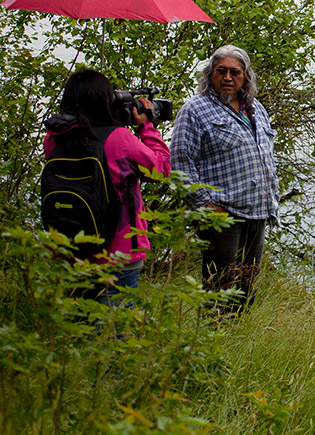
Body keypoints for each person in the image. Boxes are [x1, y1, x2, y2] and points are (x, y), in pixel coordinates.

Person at [44, 69, 171, 307]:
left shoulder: (53, 138)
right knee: (114, 334)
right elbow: (160, 170)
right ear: (105, 100)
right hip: (118, 252)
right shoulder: (119, 138)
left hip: (69, 249)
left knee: (78, 329)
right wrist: (147, 127)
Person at [170, 45, 279, 310]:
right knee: (219, 286)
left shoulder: (256, 109)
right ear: (210, 74)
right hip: (222, 215)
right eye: (221, 71)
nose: (228, 78)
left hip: (257, 212)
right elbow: (180, 161)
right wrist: (204, 205)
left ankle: (237, 338)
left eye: (235, 72)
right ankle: (214, 337)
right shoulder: (195, 110)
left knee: (246, 286)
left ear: (246, 77)